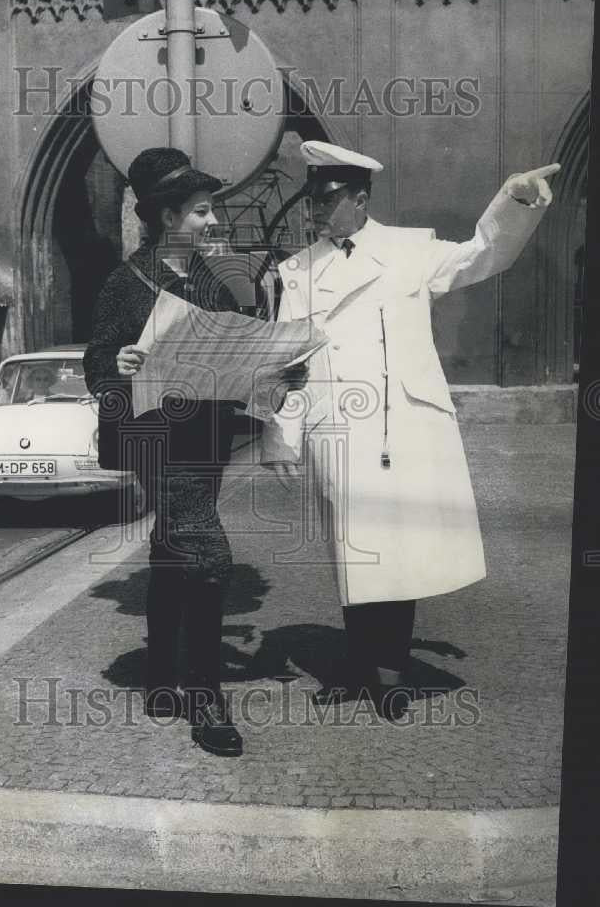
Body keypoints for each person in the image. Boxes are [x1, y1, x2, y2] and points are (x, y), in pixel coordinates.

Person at [260, 140, 559, 719]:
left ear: (360, 199)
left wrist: (514, 200)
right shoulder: (295, 271)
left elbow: (482, 254)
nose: (317, 212)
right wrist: (282, 430)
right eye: (313, 202)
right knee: (354, 556)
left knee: (396, 553)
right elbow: (288, 360)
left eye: (329, 200)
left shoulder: (408, 250)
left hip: (402, 429)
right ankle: (359, 664)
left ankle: (390, 675)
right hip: (337, 427)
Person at [83, 147, 245, 757]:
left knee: (172, 546)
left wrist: (277, 371)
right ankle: (206, 697)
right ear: (168, 216)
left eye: (212, 211)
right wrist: (118, 367)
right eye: (202, 211)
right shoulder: (125, 283)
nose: (212, 222)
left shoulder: (216, 283)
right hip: (156, 439)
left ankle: (158, 674)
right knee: (208, 554)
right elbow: (98, 359)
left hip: (206, 438)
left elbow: (236, 356)